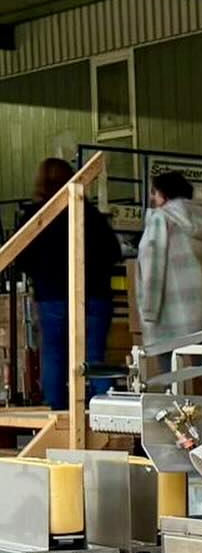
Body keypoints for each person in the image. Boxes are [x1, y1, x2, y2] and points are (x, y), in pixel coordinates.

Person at [12, 157, 122, 410]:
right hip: (94, 294)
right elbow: (113, 252)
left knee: (54, 356)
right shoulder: (90, 214)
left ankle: (58, 417)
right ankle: (105, 416)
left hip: (51, 295)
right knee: (94, 358)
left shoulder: (34, 216)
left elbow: (21, 259)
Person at [135, 170, 202, 361]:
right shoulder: (199, 218)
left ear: (164, 194)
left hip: (169, 306)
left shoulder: (160, 219)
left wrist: (148, 310)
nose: (152, 198)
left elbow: (152, 267)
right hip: (200, 303)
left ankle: (170, 392)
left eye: (154, 192)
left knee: (167, 365)